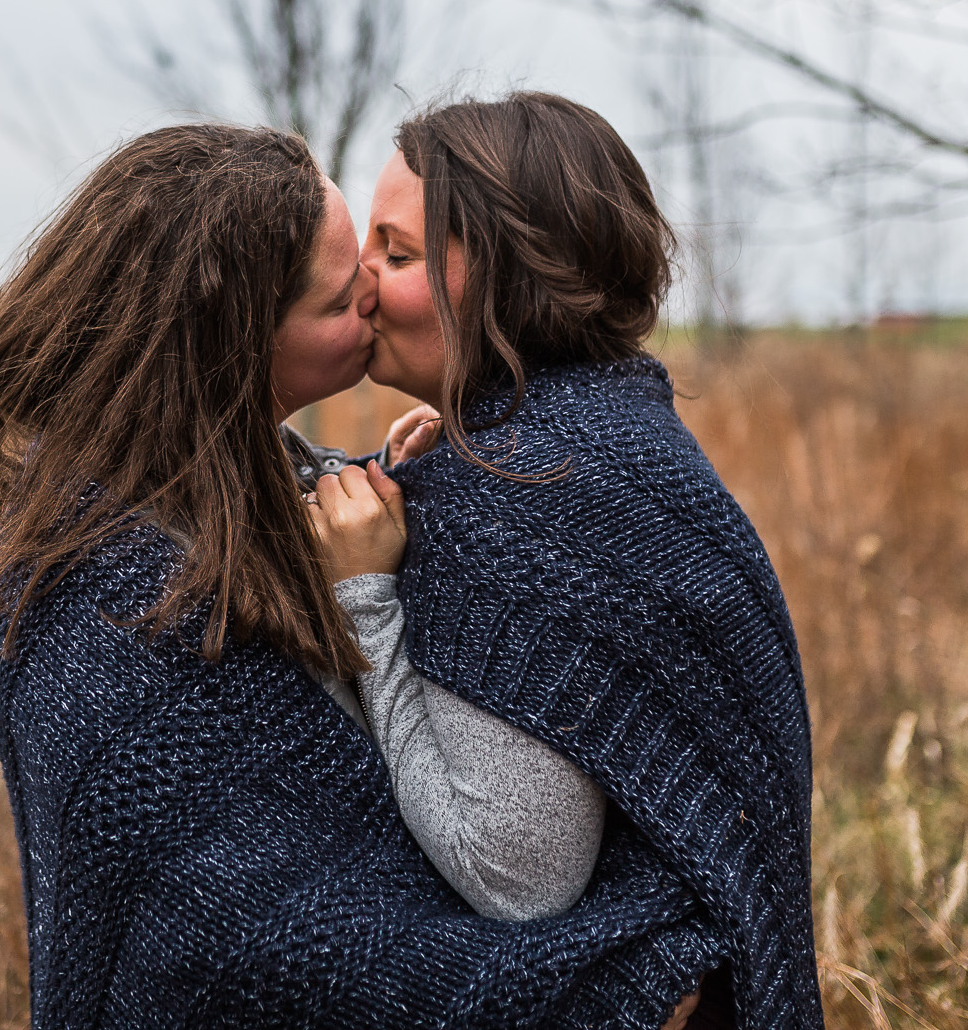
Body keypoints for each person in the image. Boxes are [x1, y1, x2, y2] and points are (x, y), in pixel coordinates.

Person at [0, 122, 723, 1029]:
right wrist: (604, 991)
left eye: (373, 250)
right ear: (230, 351)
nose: (374, 290)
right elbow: (266, 955)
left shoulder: (225, 483)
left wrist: (402, 491)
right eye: (338, 296)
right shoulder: (108, 595)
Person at [322, 91, 825, 1030]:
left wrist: (365, 602)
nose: (359, 283)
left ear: (507, 276)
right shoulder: (626, 437)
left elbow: (515, 877)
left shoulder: (516, 487)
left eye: (395, 254)